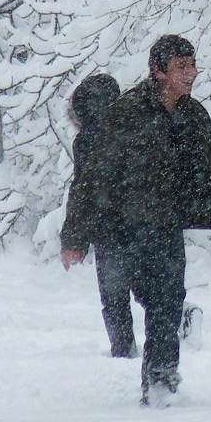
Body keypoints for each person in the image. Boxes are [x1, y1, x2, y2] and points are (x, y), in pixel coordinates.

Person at [60, 35, 211, 407]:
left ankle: (160, 384)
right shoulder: (126, 114)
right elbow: (93, 176)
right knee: (132, 296)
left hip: (164, 226)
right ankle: (129, 353)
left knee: (167, 300)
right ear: (158, 71)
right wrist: (75, 237)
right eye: (182, 66)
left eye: (193, 65)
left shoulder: (193, 115)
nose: (192, 73)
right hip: (123, 226)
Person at [62, 73, 134, 357]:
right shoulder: (136, 127)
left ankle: (123, 349)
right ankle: (178, 325)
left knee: (114, 294)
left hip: (108, 229)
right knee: (156, 292)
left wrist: (74, 239)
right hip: (146, 224)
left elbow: (82, 191)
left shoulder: (86, 140)